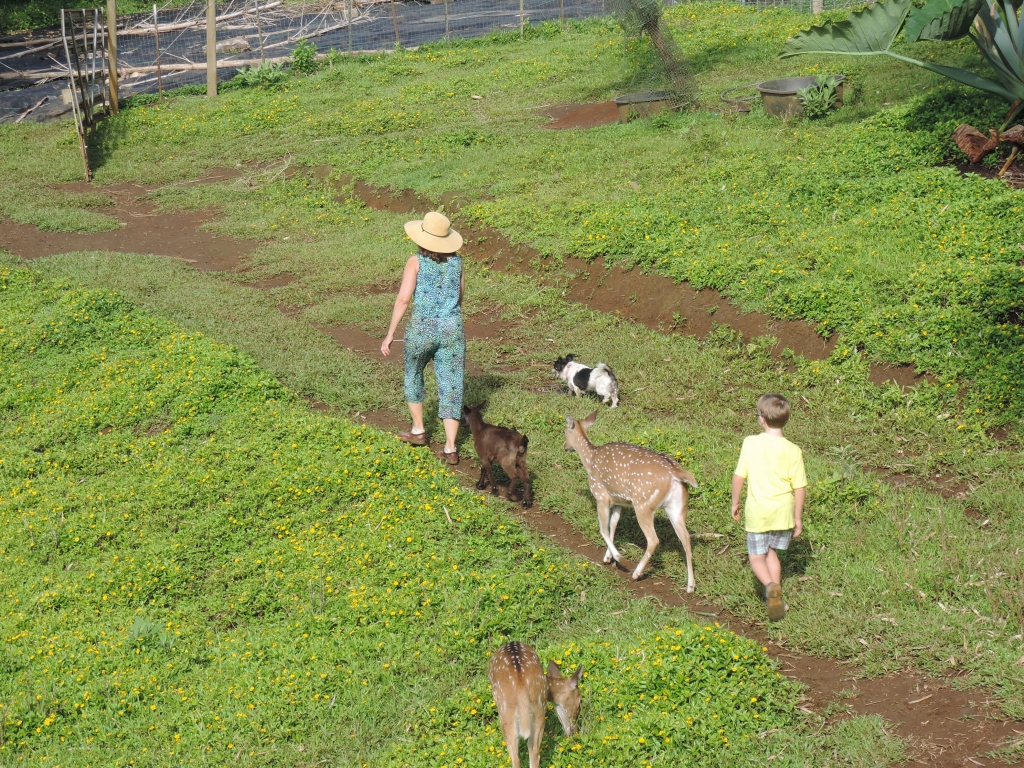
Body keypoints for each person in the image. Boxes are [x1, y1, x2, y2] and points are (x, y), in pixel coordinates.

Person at [381, 211, 466, 465]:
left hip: (421, 329)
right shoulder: (457, 262)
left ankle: (418, 430)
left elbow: (404, 298)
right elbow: (460, 298)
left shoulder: (415, 261)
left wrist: (390, 333)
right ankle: (451, 448)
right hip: (453, 329)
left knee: (413, 373)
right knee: (452, 383)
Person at [731, 393, 807, 622]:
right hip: (783, 513)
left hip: (758, 512)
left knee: (756, 557)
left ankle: (770, 586)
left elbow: (738, 477)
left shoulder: (750, 442)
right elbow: (800, 487)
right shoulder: (793, 450)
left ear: (761, 419)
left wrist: (735, 502)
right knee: (771, 552)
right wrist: (798, 518)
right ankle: (776, 600)